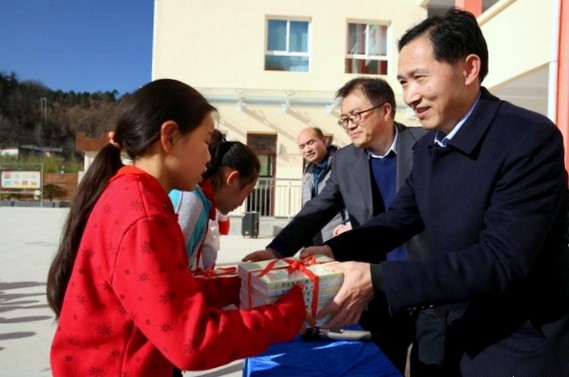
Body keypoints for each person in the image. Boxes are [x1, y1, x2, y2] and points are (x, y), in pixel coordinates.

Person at [302, 8, 569, 377]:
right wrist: (335, 249)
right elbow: (399, 219)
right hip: (456, 334)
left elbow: (500, 260)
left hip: (515, 348)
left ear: (469, 69)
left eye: (419, 78)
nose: (410, 96)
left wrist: (377, 279)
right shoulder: (428, 148)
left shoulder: (527, 140)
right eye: (403, 82)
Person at [45, 79, 306, 377]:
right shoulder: (144, 213)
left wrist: (242, 286)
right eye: (206, 142)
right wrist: (286, 314)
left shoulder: (132, 193)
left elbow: (164, 291)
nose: (209, 157)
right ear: (169, 136)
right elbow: (192, 342)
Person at [244, 77, 446, 375]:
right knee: (381, 366)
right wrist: (277, 249)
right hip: (375, 289)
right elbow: (317, 209)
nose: (349, 124)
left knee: (433, 368)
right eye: (344, 119)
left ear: (386, 110)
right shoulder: (345, 160)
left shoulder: (426, 145)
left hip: (427, 285)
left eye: (355, 115)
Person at [169, 129, 259, 271]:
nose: (242, 202)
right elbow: (169, 269)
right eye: (247, 193)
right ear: (233, 179)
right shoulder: (190, 201)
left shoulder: (200, 202)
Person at [297, 126, 346, 244]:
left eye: (310, 143)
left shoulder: (341, 163)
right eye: (302, 146)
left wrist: (348, 225)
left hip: (337, 235)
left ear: (324, 141)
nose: (307, 149)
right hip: (313, 237)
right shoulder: (308, 170)